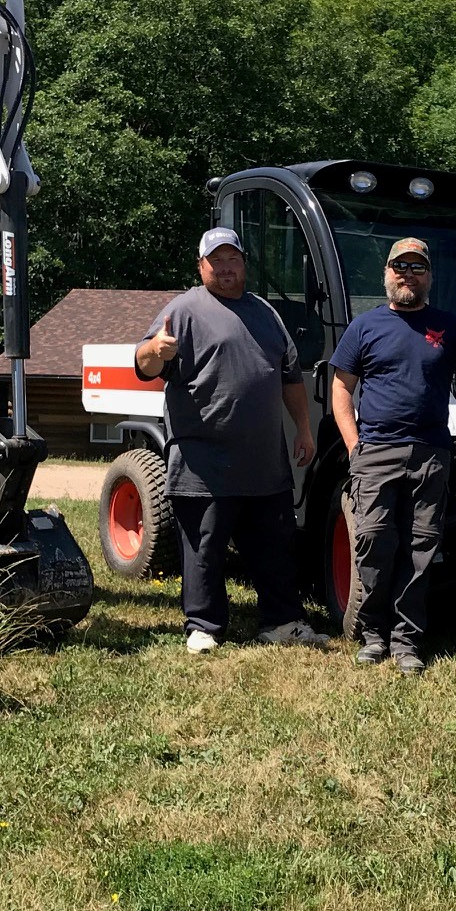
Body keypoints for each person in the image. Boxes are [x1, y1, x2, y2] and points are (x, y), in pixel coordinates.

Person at [329, 237, 456, 674]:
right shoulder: (363, 328)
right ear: (386, 273)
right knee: (372, 543)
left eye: (417, 267)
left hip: (430, 457)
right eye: (399, 266)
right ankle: (373, 635)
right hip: (376, 453)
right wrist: (354, 446)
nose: (407, 274)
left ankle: (406, 643)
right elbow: (341, 389)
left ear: (429, 276)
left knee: (420, 550)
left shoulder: (449, 324)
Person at [134, 227, 329, 654]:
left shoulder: (265, 312)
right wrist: (156, 351)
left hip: (264, 461)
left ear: (243, 263)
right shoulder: (185, 308)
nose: (225, 268)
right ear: (201, 266)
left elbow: (290, 376)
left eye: (232, 259)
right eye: (216, 260)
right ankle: (204, 626)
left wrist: (304, 428)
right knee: (204, 549)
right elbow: (144, 364)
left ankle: (281, 621)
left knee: (275, 548)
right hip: (205, 460)